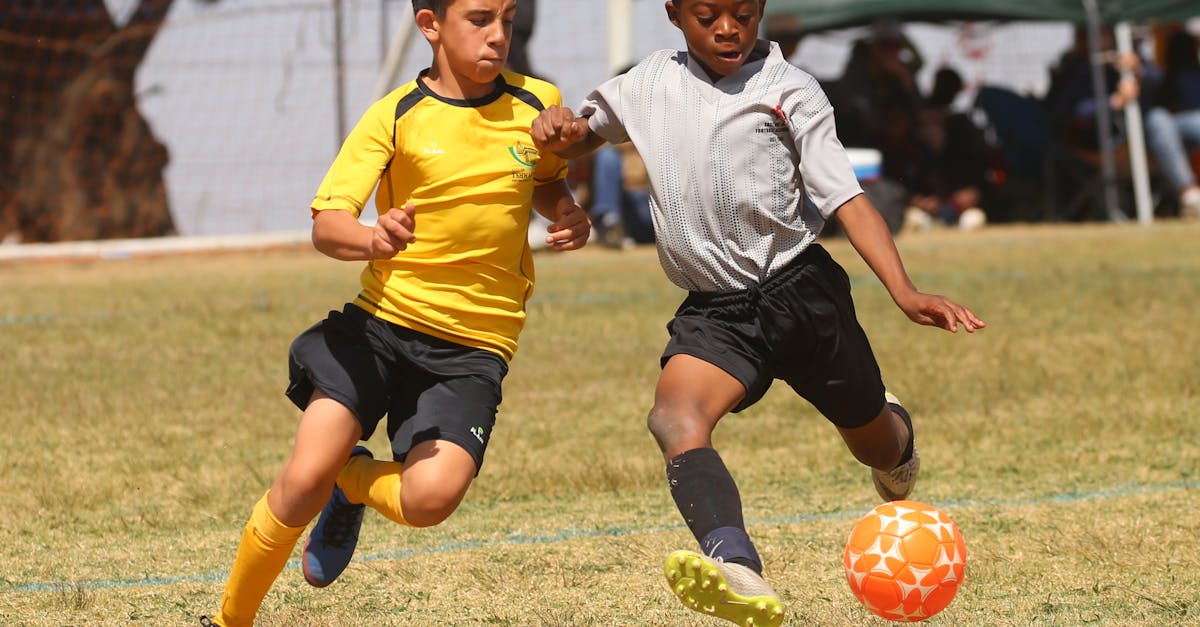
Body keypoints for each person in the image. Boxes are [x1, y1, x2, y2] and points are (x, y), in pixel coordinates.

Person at [530, 1, 984, 625]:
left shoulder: (792, 91)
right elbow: (578, 137)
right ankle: (737, 566)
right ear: (674, 14)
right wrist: (557, 133)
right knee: (673, 417)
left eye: (742, 13)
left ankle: (896, 435)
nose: (727, 28)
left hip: (801, 297)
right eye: (709, 14)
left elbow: (846, 199)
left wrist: (904, 291)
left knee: (874, 445)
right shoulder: (647, 84)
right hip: (718, 311)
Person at [200, 1, 590, 625]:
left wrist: (566, 209)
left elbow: (542, 176)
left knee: (430, 500)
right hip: (381, 326)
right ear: (431, 24)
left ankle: (352, 482)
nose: (498, 36)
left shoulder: (538, 100)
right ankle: (229, 620)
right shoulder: (394, 115)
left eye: (508, 21)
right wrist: (373, 239)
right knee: (301, 482)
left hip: (474, 346)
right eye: (479, 19)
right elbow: (328, 225)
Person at [1143, 28, 1200, 219]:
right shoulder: (1157, 75)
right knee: (1158, 119)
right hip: (1168, 130)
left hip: (1191, 124)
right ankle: (1190, 196)